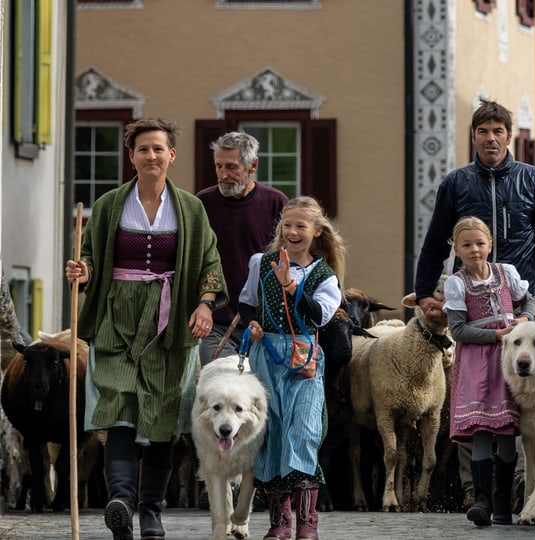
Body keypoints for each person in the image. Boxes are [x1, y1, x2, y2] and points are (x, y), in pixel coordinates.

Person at [65, 118, 227, 540]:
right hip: (117, 314)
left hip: (170, 323)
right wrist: (83, 270)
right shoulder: (107, 205)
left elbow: (210, 263)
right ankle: (121, 500)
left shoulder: (191, 208)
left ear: (171, 155)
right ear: (131, 156)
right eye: (143, 149)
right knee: (118, 406)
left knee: (161, 414)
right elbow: (91, 259)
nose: (151, 156)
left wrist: (206, 305)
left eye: (158, 149)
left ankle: (151, 511)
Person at [414, 98, 535, 509]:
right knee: (474, 391)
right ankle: (474, 490)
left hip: (524, 307)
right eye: (482, 131)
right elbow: (435, 241)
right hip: (475, 313)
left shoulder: (533, 181)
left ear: (509, 136)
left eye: (498, 131)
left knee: (522, 395)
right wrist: (425, 292)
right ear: (473, 137)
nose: (490, 138)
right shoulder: (456, 184)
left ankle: (517, 487)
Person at [237, 196, 345, 540]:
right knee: (271, 434)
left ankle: (306, 522)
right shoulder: (262, 262)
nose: (293, 232)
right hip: (265, 353)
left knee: (303, 432)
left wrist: (291, 285)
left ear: (316, 231)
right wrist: (252, 325)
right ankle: (279, 522)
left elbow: (320, 316)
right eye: (288, 225)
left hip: (304, 356)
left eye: (301, 226)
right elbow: (247, 303)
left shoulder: (325, 276)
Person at [443, 217, 535, 527]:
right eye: (466, 245)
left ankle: (503, 503)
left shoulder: (505, 273)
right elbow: (458, 330)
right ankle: (480, 499)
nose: (474, 250)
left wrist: (524, 321)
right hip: (477, 363)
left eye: (480, 243)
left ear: (490, 245)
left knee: (507, 432)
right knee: (482, 429)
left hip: (508, 362)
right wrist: (497, 335)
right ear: (456, 249)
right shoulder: (457, 283)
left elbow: (529, 300)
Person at [197, 131, 288, 366]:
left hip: (263, 325)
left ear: (253, 165)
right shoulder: (202, 204)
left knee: (259, 397)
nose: (223, 174)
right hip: (215, 322)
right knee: (224, 388)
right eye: (218, 166)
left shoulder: (276, 203)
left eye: (231, 167)